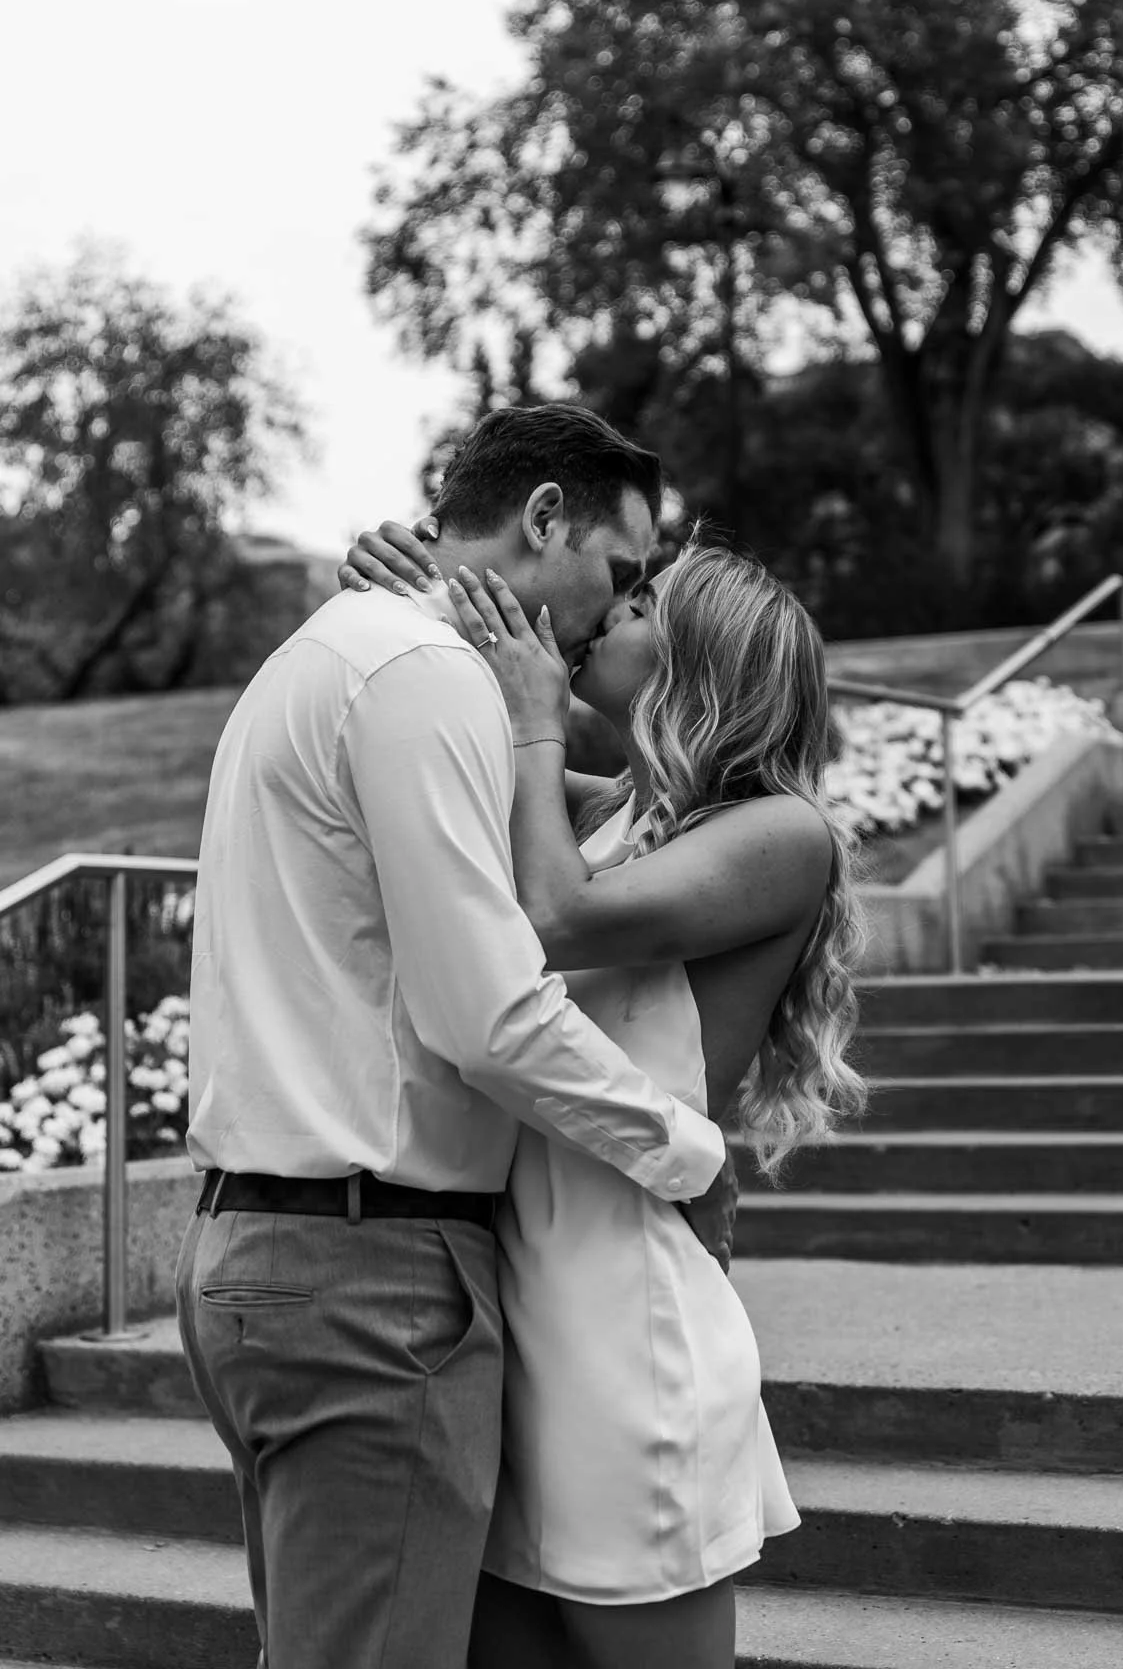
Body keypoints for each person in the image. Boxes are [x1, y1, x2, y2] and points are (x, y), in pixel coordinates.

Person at [174, 405, 737, 1669]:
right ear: (543, 517)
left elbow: (576, 831)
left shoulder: (338, 651)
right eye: (622, 572)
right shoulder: (419, 673)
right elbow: (487, 1015)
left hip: (259, 1251)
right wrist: (690, 1154)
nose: (616, 607)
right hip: (368, 1278)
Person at [340, 518, 867, 1669]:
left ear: (695, 667)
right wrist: (419, 580)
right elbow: (469, 776)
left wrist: (534, 717)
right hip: (507, 1301)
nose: (602, 616)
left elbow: (553, 915)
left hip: (625, 1325)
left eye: (634, 611)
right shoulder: (613, 812)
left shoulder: (782, 835)